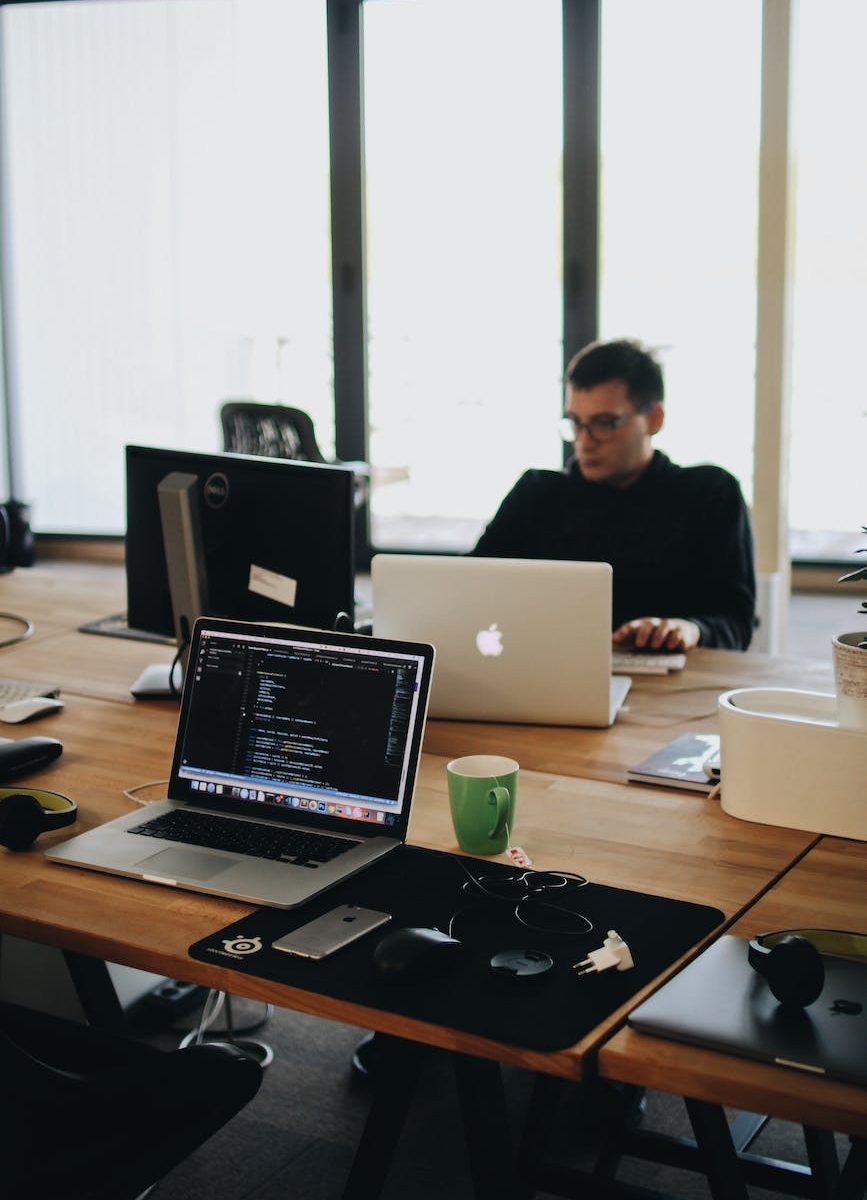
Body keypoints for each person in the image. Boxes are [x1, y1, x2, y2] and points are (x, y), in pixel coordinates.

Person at [472, 338, 756, 651]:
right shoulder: (536, 493)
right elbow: (469, 587)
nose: (585, 441)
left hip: (673, 686)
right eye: (576, 423)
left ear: (654, 419)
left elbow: (736, 623)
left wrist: (690, 629)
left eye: (604, 423)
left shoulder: (710, 494)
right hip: (548, 674)